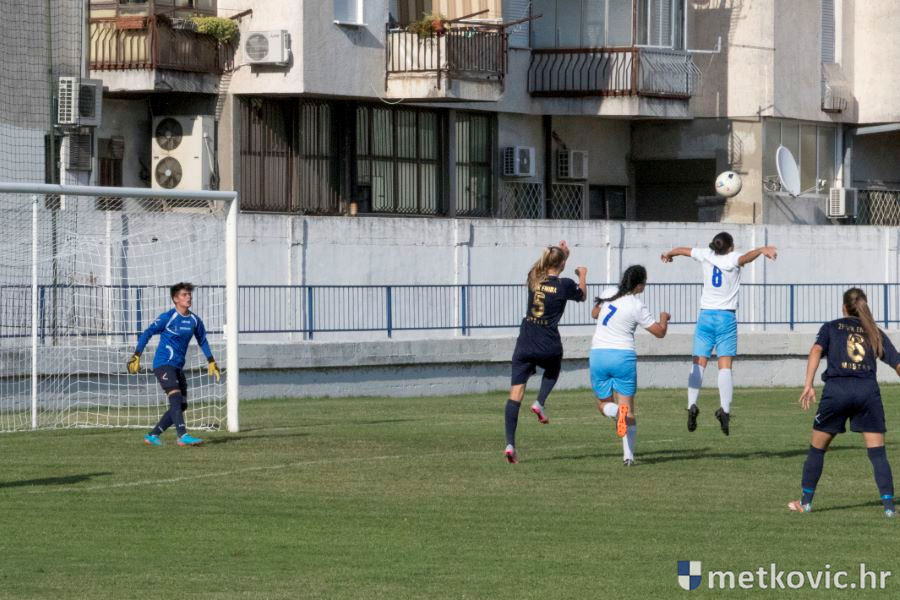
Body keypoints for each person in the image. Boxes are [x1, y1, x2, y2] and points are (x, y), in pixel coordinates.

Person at [788, 288, 898, 517]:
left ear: (843, 307)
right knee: (878, 454)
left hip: (837, 391)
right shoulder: (874, 331)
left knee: (817, 450)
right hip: (867, 392)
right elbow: (897, 363)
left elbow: (816, 350)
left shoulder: (831, 327)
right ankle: (889, 508)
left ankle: (805, 503)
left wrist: (808, 384)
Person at [661, 232, 777, 435]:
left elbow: (684, 250)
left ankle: (692, 405)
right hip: (726, 317)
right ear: (730, 247)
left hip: (705, 316)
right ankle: (724, 410)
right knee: (725, 365)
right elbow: (746, 258)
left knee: (698, 362)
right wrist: (761, 250)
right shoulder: (732, 258)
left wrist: (670, 253)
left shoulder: (706, 254)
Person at [504, 241, 586, 463]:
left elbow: (540, 266)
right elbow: (582, 295)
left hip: (525, 340)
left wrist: (559, 255)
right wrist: (582, 275)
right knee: (554, 365)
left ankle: (510, 444)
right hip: (547, 341)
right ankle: (540, 402)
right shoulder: (564, 284)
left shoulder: (534, 279)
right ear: (562, 264)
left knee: (515, 394)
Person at [590, 265, 669, 466]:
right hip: (622, 357)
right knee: (628, 410)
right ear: (639, 285)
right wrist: (664, 318)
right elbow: (659, 332)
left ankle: (616, 412)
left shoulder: (609, 292)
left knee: (603, 405)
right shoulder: (636, 305)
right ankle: (628, 457)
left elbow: (594, 313)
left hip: (598, 355)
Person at [127, 282, 221, 447]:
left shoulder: (194, 320)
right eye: (184, 295)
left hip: (178, 366)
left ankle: (152, 435)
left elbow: (202, 340)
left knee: (182, 404)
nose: (189, 297)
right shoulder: (168, 317)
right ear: (175, 299)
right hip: (163, 364)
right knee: (175, 397)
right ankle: (182, 436)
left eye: (189, 294)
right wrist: (137, 355)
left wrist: (211, 360)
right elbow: (148, 332)